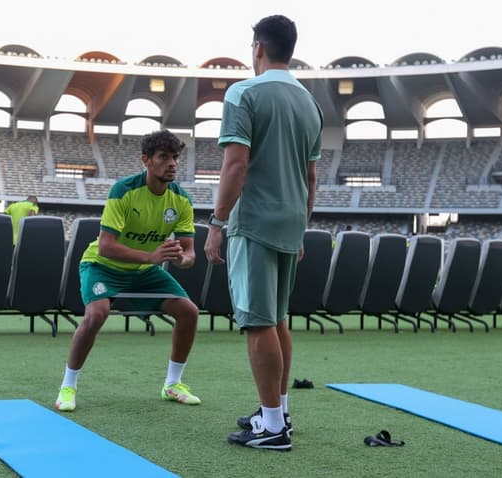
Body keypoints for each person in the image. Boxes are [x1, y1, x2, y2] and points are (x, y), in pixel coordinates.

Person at [204, 15, 323, 451]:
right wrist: (302, 226)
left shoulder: (243, 92)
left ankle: (272, 427)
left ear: (257, 48)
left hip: (254, 221)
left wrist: (217, 222)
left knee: (257, 322)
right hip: (292, 221)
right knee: (277, 319)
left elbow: (236, 163)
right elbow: (311, 177)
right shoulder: (310, 103)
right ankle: (279, 410)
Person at [54, 129, 201, 412]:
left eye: (175, 158)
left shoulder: (182, 200)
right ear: (146, 160)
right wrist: (152, 256)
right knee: (97, 314)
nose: (172, 163)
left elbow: (189, 251)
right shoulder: (123, 190)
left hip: (143, 269)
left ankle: (172, 385)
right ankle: (68, 386)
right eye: (164, 157)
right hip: (102, 265)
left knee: (189, 311)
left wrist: (182, 259)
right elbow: (107, 246)